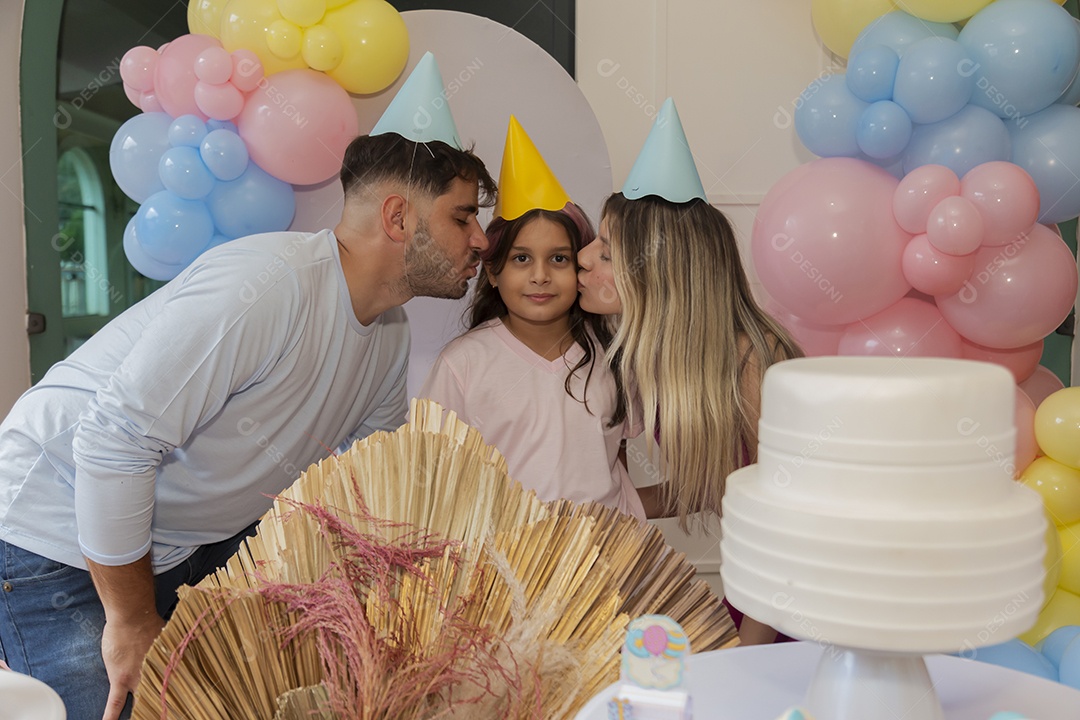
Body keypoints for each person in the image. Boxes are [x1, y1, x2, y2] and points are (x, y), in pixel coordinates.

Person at [0, 54, 496, 720]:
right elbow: (114, 442)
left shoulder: (391, 330)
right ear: (400, 219)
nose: (481, 240)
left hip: (173, 545)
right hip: (52, 532)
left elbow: (357, 489)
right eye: (464, 217)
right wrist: (130, 619)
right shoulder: (266, 286)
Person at [577, 99, 802, 644]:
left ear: (655, 269)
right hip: (757, 594)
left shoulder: (759, 364)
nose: (584, 257)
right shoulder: (664, 361)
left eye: (606, 252)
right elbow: (719, 487)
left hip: (804, 605)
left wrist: (751, 654)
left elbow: (789, 532)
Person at [420, 117, 644, 519]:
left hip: (608, 563)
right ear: (493, 271)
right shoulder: (462, 365)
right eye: (522, 259)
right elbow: (434, 480)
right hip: (505, 567)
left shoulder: (616, 356)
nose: (540, 275)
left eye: (558, 259)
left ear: (581, 266)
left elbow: (613, 461)